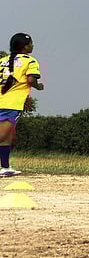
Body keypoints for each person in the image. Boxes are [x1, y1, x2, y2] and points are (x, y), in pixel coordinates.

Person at [0, 34, 43, 177]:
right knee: (3, 136)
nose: (33, 45)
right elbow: (30, 80)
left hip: (3, 101)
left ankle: (5, 167)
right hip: (11, 104)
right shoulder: (30, 61)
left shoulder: (2, 60)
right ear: (25, 47)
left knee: (8, 137)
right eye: (31, 43)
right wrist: (39, 87)